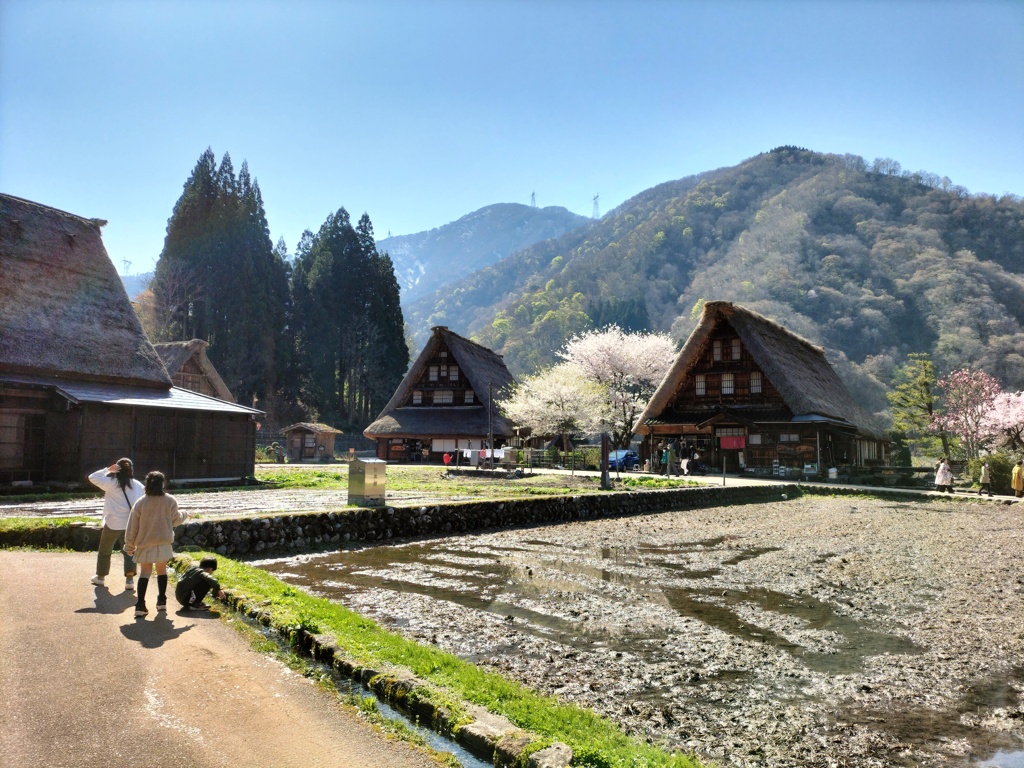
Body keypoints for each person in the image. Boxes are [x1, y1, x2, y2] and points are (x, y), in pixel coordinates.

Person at [124, 471, 188, 617]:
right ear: (162, 483)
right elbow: (176, 520)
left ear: (147, 484)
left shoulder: (141, 502)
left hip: (145, 543)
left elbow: (132, 526)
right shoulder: (170, 500)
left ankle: (140, 605)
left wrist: (129, 546)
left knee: (145, 573)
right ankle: (161, 601)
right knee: (162, 571)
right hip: (163, 542)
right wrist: (184, 514)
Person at [88, 458, 144, 591]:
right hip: (130, 524)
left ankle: (100, 577)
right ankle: (129, 580)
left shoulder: (111, 483)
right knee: (129, 550)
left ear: (117, 469)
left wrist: (108, 470)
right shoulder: (138, 485)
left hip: (113, 523)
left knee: (105, 550)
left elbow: (92, 477)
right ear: (131, 470)